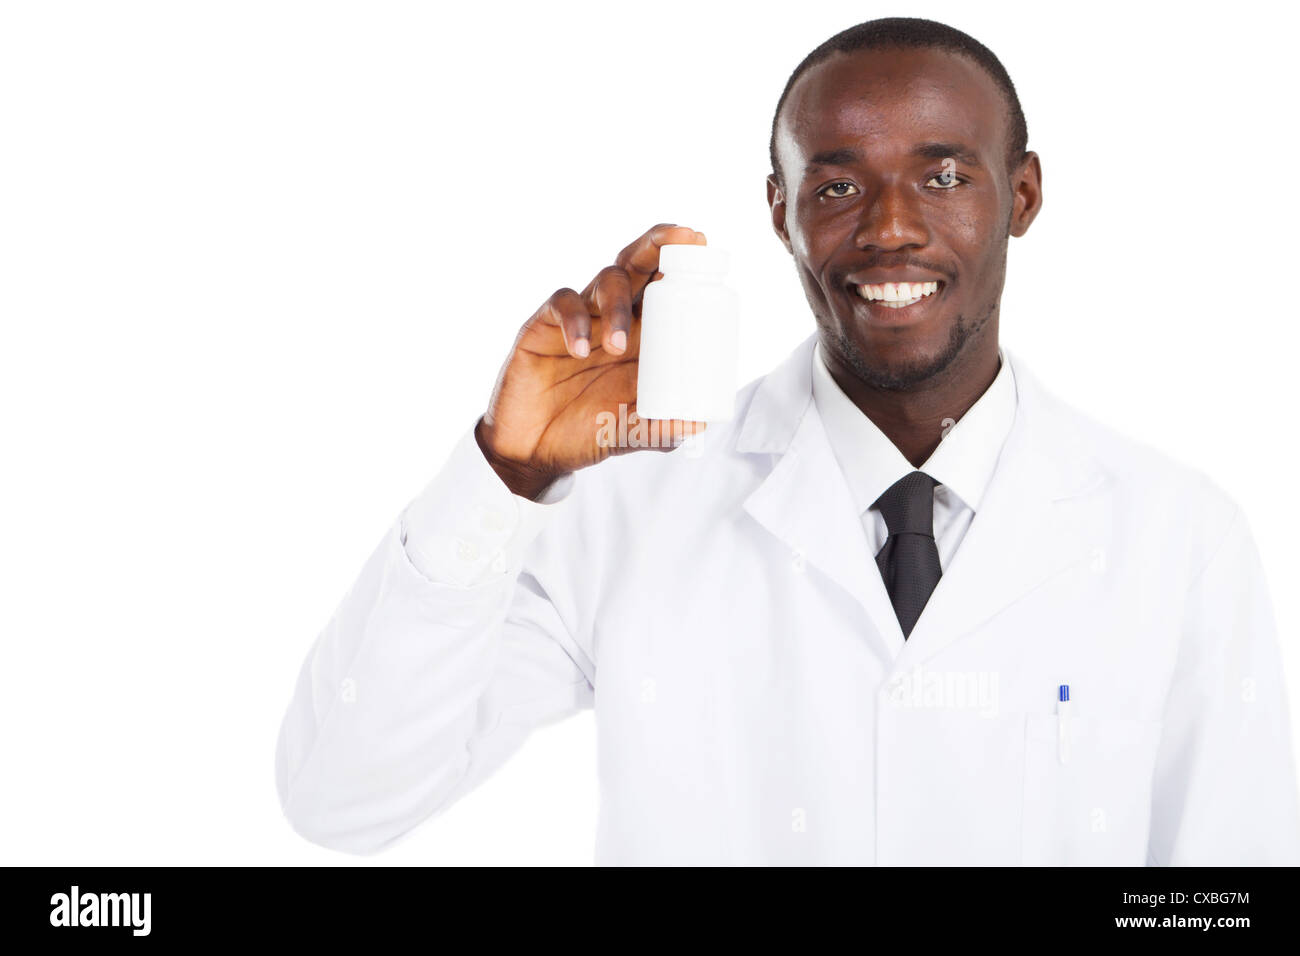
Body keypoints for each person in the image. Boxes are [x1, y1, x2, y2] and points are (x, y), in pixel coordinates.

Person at [274, 17, 1300, 864]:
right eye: (838, 185)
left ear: (1021, 194)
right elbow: (343, 794)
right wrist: (505, 473)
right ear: (780, 211)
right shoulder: (636, 509)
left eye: (943, 177)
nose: (890, 227)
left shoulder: (1177, 536)